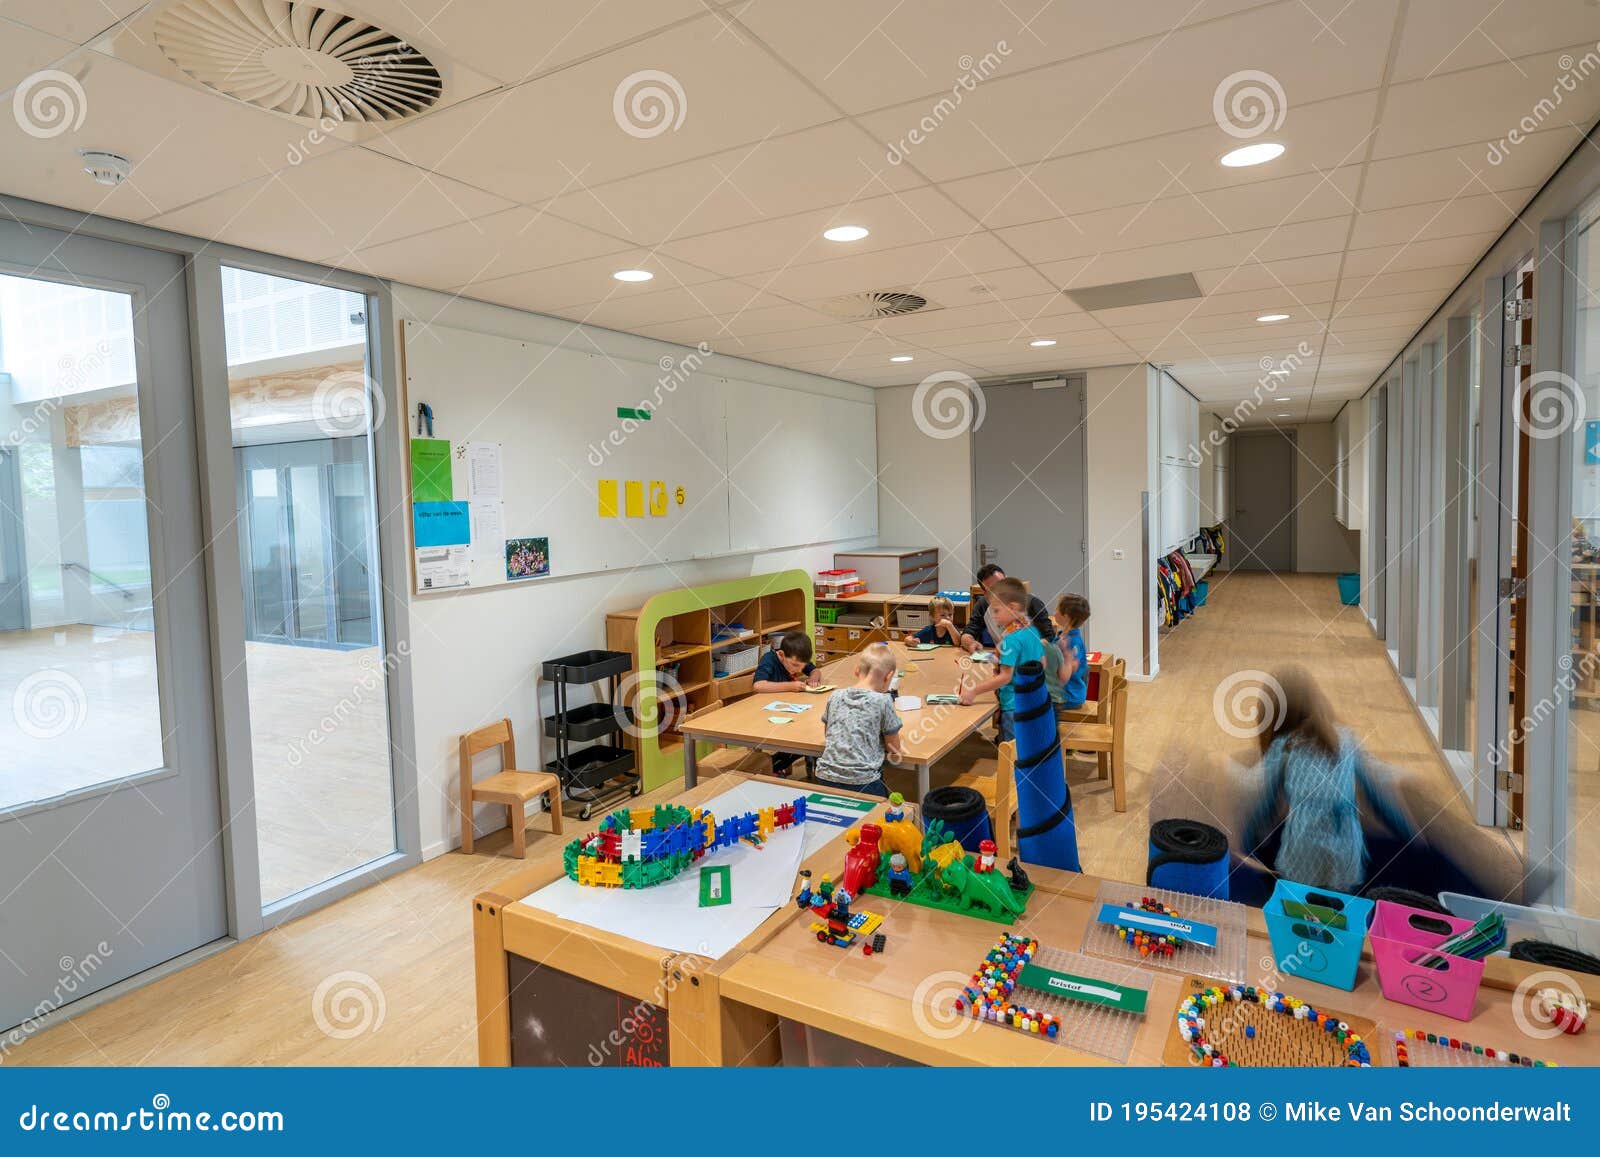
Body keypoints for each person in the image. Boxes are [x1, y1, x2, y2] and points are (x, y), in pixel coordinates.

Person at [956, 577, 1043, 744]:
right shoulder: (1031, 631)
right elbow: (1042, 663)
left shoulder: (1011, 639)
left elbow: (1005, 677)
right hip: (1034, 700)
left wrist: (973, 691)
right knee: (1028, 748)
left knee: (1012, 752)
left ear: (1012, 607)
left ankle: (1011, 771)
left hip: (1013, 705)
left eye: (996, 611)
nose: (993, 616)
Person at [815, 643, 903, 799]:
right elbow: (894, 748)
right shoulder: (883, 700)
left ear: (856, 670)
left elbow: (828, 734)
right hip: (863, 783)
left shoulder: (835, 695)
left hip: (824, 778)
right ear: (888, 676)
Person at [752, 632, 820, 776]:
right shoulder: (769, 659)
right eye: (795, 665)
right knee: (800, 743)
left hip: (789, 713)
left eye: (802, 667)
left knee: (808, 737)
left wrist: (814, 677)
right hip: (768, 716)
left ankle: (775, 767)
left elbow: (815, 670)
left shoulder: (796, 657)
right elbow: (758, 685)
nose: (798, 670)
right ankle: (769, 768)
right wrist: (790, 686)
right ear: (781, 654)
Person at [961, 564, 1056, 652]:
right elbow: (967, 634)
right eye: (993, 589)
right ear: (985, 593)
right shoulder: (983, 605)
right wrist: (971, 644)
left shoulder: (1032, 603)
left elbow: (1049, 637)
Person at [1053, 593, 1091, 711]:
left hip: (1068, 696)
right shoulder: (1062, 635)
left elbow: (1070, 669)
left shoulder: (1072, 642)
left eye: (1057, 609)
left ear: (1066, 617)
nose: (1054, 612)